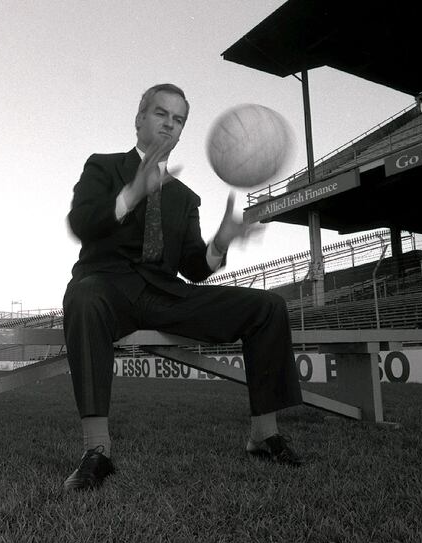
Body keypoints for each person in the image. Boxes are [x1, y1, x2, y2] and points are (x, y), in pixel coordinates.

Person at [62, 83, 303, 491]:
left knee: (268, 307)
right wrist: (131, 195)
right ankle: (96, 450)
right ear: (140, 119)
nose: (169, 125)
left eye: (178, 120)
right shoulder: (103, 167)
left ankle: (263, 435)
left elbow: (194, 268)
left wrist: (221, 242)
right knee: (83, 296)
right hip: (107, 286)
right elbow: (80, 223)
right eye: (161, 114)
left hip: (166, 295)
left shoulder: (186, 198)